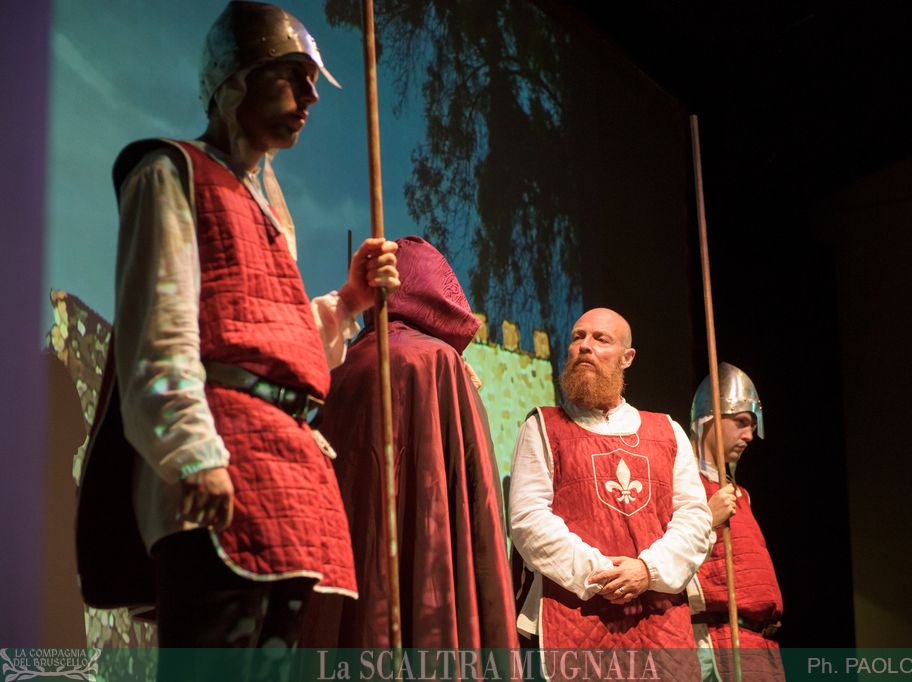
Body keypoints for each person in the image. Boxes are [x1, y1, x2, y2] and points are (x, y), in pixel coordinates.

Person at [74, 0, 400, 670]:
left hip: (290, 475)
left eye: (312, 81)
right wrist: (191, 455)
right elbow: (158, 333)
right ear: (234, 80)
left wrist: (349, 301)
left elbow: (269, 341)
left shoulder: (272, 210)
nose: (311, 96)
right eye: (292, 75)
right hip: (226, 457)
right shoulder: (171, 173)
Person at [303, 236, 518, 650]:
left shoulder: (341, 365)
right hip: (432, 573)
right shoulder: (440, 362)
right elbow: (477, 493)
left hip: (354, 562)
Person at [508, 307, 712, 677]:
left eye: (600, 339)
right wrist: (602, 573)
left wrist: (647, 570)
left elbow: (695, 520)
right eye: (578, 337)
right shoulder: (542, 427)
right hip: (575, 617)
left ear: (626, 357)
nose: (585, 346)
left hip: (660, 623)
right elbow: (529, 520)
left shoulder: (667, 431)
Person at [687, 363, 784, 680]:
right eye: (741, 422)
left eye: (752, 426)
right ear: (709, 418)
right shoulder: (684, 486)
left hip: (759, 645)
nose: (749, 435)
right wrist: (706, 516)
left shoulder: (742, 495)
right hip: (715, 642)